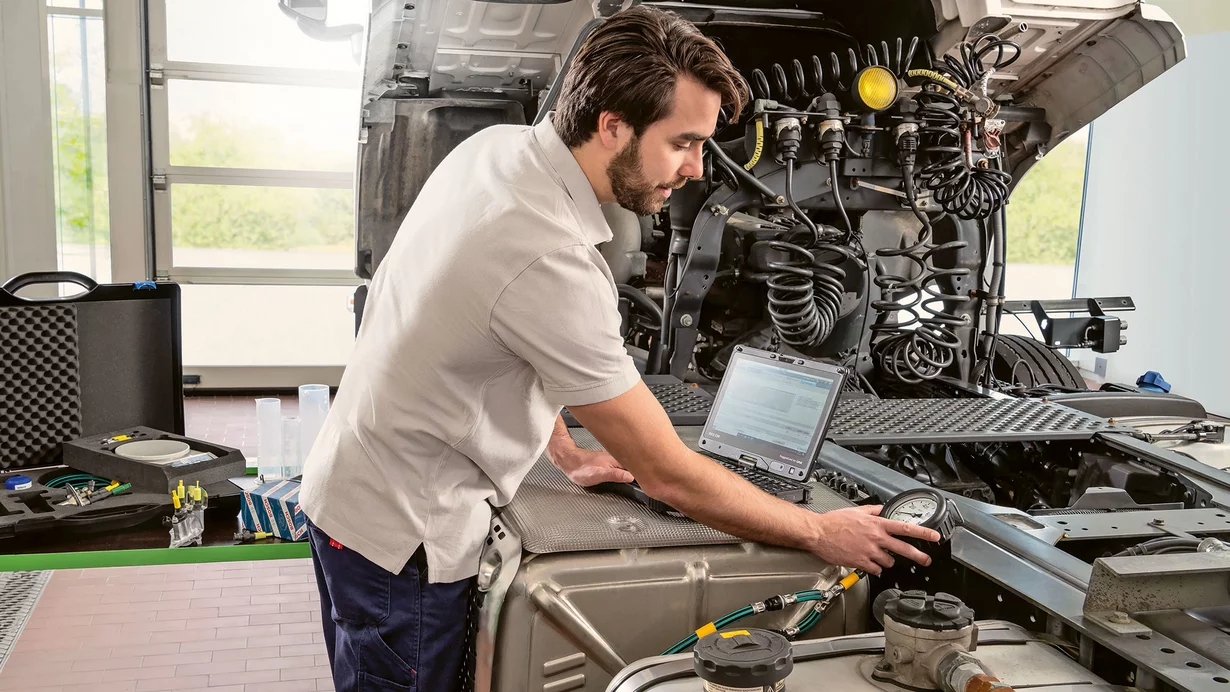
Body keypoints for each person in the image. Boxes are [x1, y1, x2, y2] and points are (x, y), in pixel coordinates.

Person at [300, 6, 940, 691]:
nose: (696, 168)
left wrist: (567, 449)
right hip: (404, 543)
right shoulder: (546, 257)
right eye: (683, 142)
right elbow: (665, 474)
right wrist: (819, 532)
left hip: (351, 495)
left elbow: (500, 333)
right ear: (611, 125)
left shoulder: (495, 152)